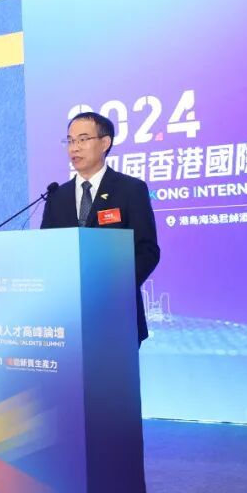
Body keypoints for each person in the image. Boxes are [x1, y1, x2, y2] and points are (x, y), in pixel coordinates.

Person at [40, 111, 160, 345]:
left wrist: (114, 289)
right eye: (70, 141)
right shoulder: (57, 196)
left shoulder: (130, 189)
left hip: (117, 314)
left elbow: (147, 251)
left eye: (83, 139)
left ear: (105, 143)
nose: (74, 148)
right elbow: (47, 251)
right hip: (66, 317)